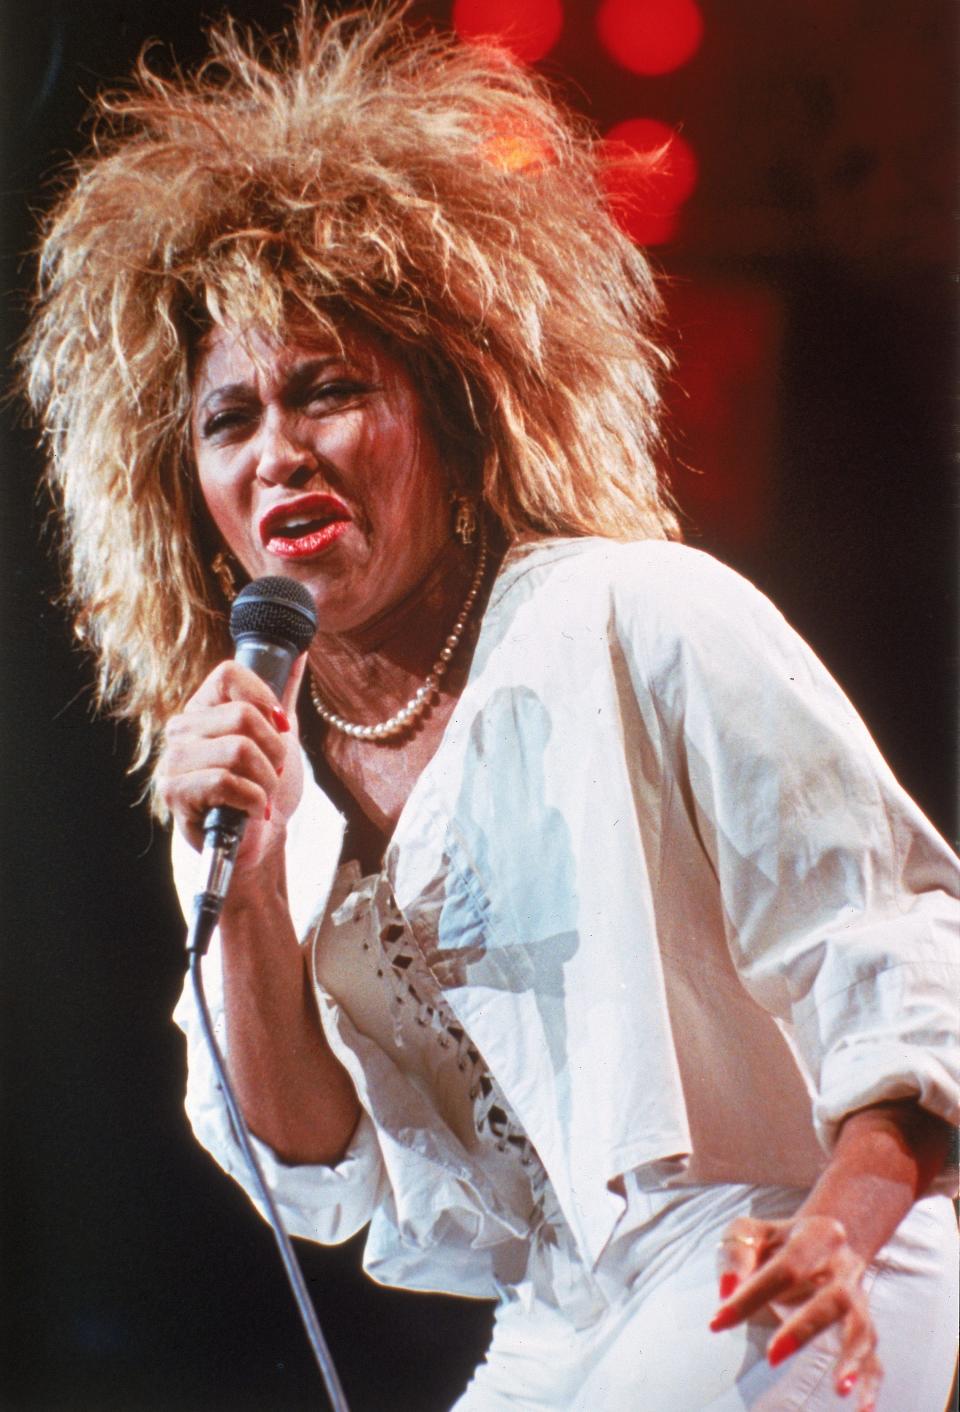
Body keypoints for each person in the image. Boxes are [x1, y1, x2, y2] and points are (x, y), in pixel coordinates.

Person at [21, 7, 958, 1409]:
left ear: (454, 412)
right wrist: (260, 874)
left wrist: (840, 1229)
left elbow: (901, 945)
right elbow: (310, 1148)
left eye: (328, 390)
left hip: (792, 1229)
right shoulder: (245, 760)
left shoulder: (638, 615)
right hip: (557, 1306)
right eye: (229, 420)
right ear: (187, 495)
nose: (279, 450)